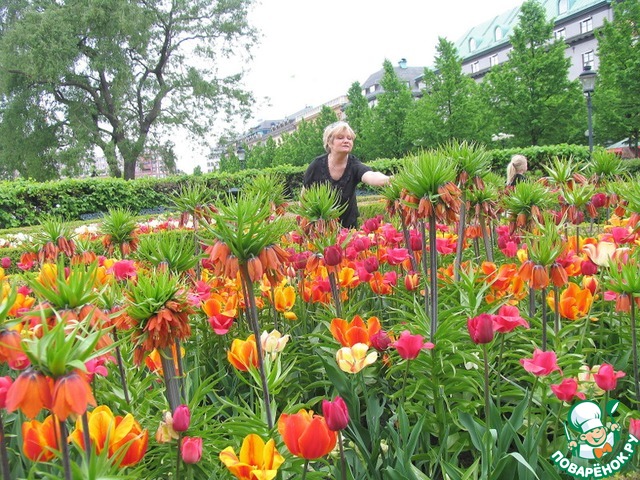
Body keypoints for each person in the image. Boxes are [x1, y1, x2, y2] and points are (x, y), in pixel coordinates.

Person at [303, 121, 391, 229]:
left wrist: (390, 179)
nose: (346, 141)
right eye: (340, 138)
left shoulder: (354, 164)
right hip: (322, 229)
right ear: (329, 142)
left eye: (349, 138)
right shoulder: (316, 165)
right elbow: (304, 196)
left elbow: (370, 176)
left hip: (349, 229)